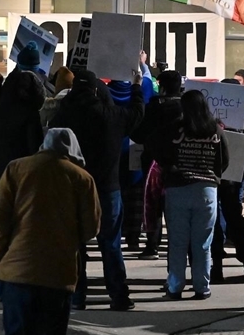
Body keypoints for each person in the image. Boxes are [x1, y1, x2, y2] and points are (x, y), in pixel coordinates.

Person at [0, 128, 100, 335]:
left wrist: (1, 255)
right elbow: (91, 228)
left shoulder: (16, 169)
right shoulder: (81, 178)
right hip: (57, 275)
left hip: (16, 274)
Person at [49, 67, 144, 311]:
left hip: (72, 189)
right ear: (95, 90)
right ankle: (119, 295)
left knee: (75, 245)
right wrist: (136, 86)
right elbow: (136, 113)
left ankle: (77, 296)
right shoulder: (111, 116)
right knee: (110, 243)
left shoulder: (62, 116)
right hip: (107, 188)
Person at [149, 90, 229, 299]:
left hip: (178, 189)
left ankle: (175, 286)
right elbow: (225, 160)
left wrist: (170, 168)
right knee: (202, 243)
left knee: (177, 242)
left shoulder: (174, 129)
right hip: (206, 190)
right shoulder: (215, 130)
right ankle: (202, 287)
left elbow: (157, 150)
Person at [211, 79, 244, 283]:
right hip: (232, 178)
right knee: (235, 220)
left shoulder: (208, 113)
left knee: (215, 221)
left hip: (212, 175)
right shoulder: (243, 113)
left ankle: (216, 267)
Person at [132, 70, 184, 259]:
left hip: (153, 162)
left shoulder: (153, 108)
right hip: (181, 162)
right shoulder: (186, 108)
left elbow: (138, 134)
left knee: (153, 204)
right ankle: (176, 244)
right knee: (177, 206)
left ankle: (152, 244)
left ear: (161, 86)